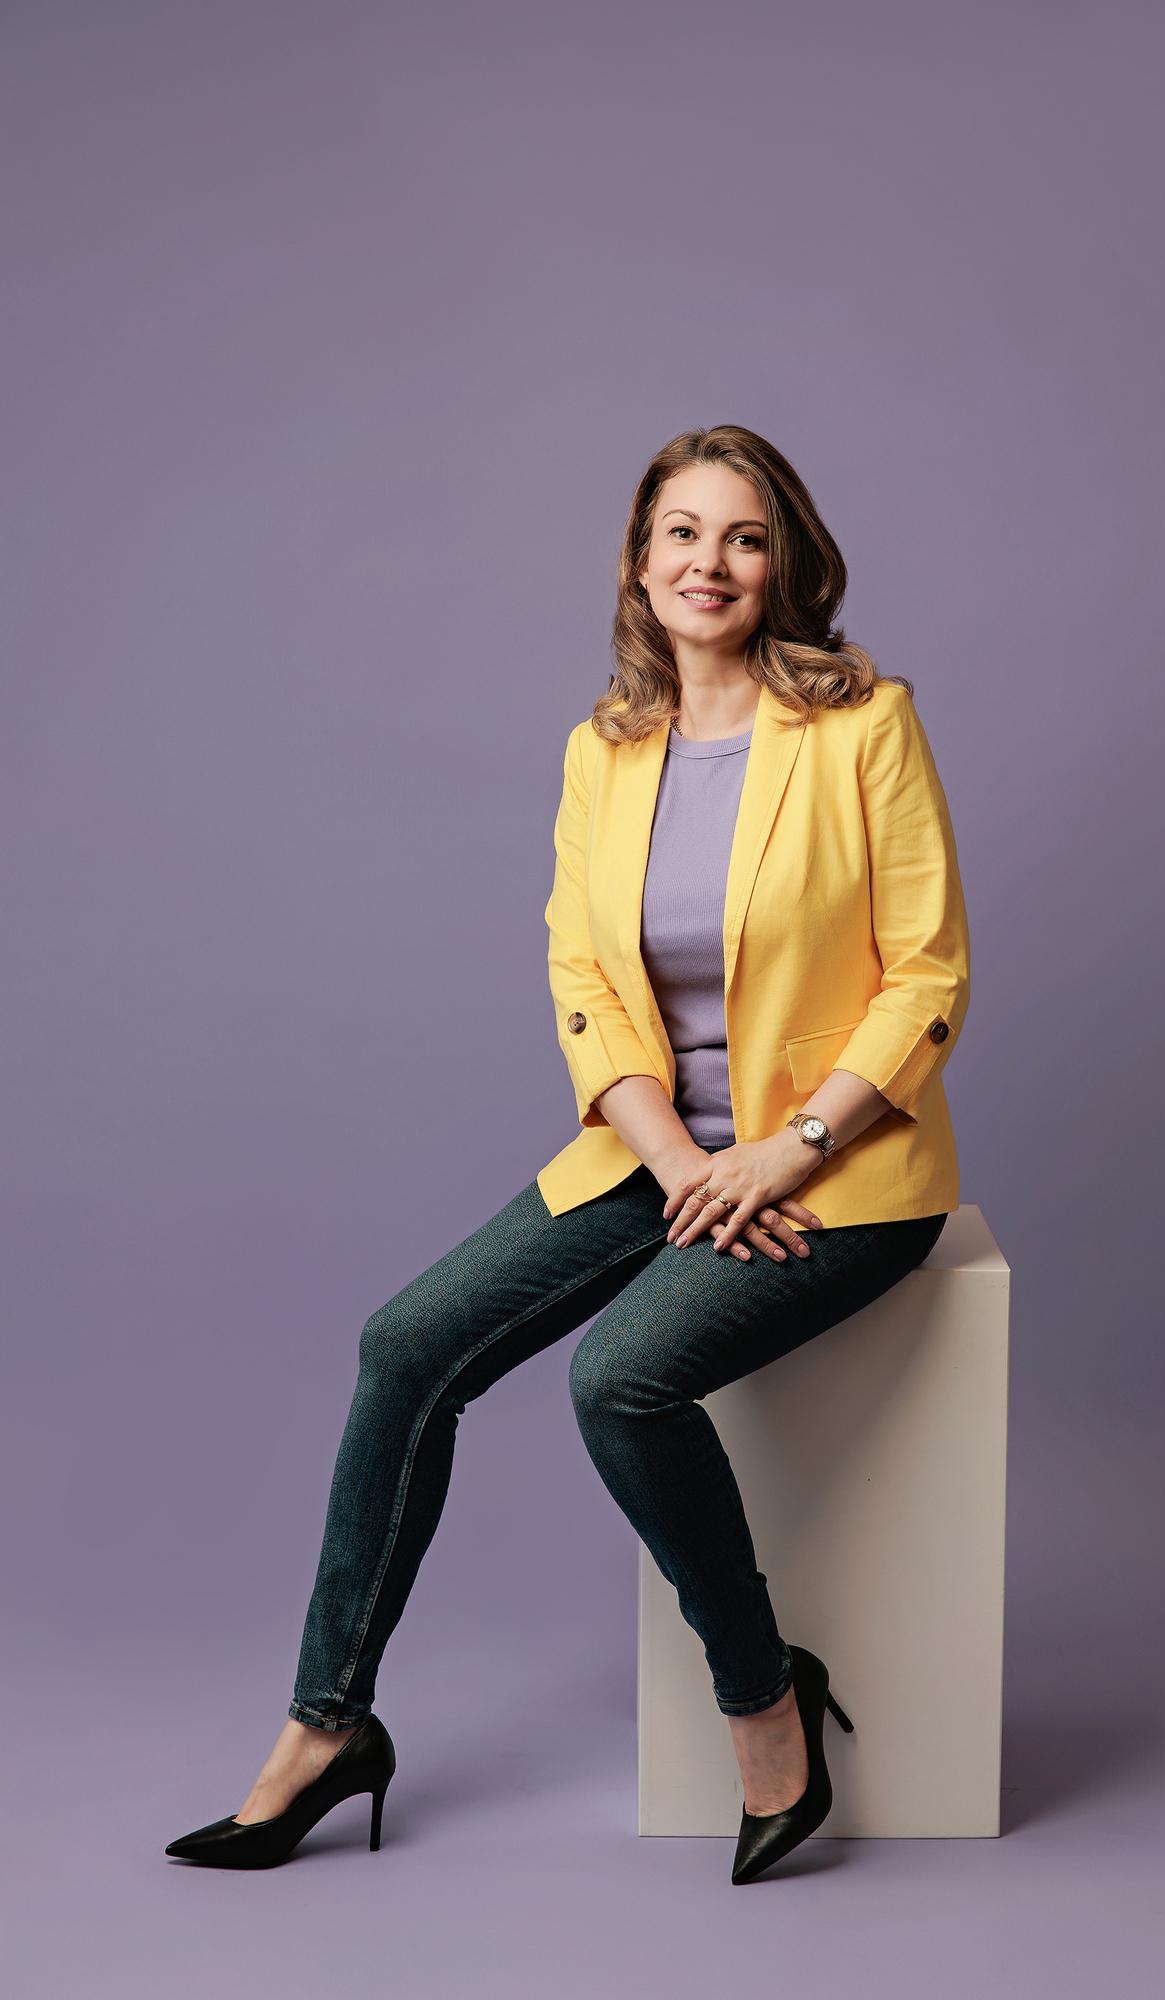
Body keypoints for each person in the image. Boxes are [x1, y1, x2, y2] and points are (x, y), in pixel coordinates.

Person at [164, 424, 970, 1883]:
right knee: (404, 1345)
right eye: (679, 532)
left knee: (619, 1380)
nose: (706, 563)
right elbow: (585, 990)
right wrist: (679, 1165)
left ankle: (761, 1696)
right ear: (637, 560)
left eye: (739, 536)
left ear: (782, 561)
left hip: (835, 1170)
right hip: (662, 1157)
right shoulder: (603, 752)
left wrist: (784, 1151)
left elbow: (924, 977)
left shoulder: (864, 725)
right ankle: (327, 1727)